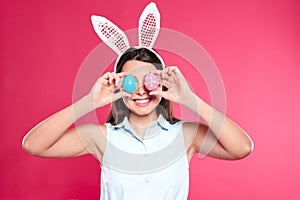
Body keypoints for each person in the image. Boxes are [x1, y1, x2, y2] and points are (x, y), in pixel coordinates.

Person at [22, 3, 253, 200]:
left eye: (149, 80)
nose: (141, 91)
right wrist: (89, 102)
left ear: (162, 83)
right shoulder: (103, 137)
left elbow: (242, 148)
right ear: (121, 87)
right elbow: (34, 144)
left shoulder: (185, 135)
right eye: (131, 82)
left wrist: (190, 100)